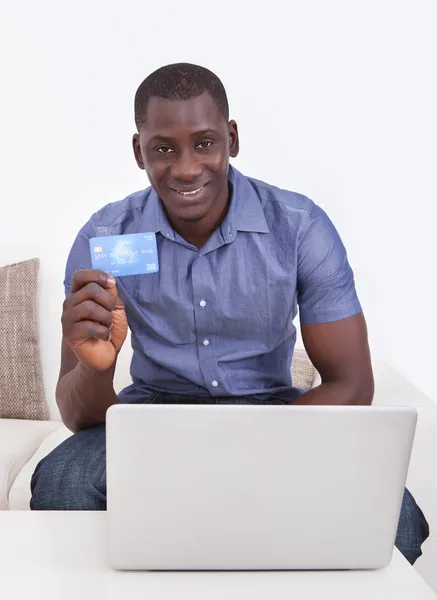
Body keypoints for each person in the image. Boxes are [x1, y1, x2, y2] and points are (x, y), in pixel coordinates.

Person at [30, 63, 429, 563]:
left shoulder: (300, 227)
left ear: (232, 138)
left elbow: (351, 384)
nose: (186, 168)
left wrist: (245, 446)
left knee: (396, 516)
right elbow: (79, 416)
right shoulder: (105, 237)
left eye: (204, 142)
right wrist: (96, 364)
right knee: (63, 483)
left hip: (276, 417)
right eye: (163, 148)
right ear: (139, 152)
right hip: (154, 418)